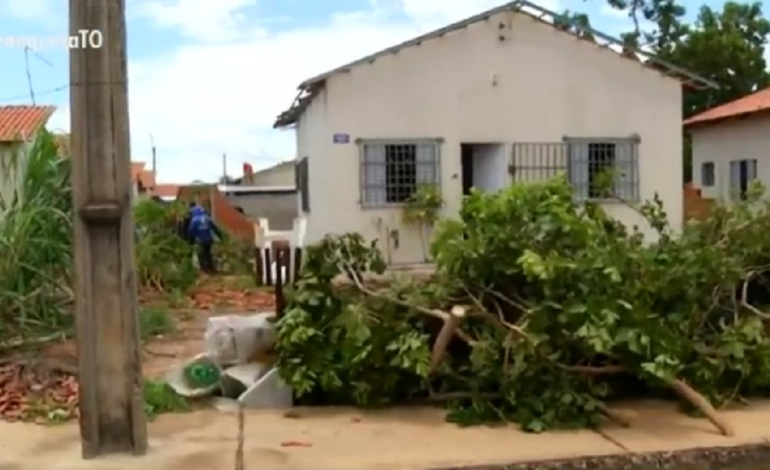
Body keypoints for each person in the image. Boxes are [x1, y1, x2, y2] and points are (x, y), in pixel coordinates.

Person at [187, 205, 222, 274]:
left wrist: (190, 241)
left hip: (200, 240)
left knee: (201, 255)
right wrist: (220, 237)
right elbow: (215, 228)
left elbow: (190, 232)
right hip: (209, 240)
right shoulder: (207, 218)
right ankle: (212, 268)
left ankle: (205, 270)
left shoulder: (194, 220)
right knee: (208, 253)